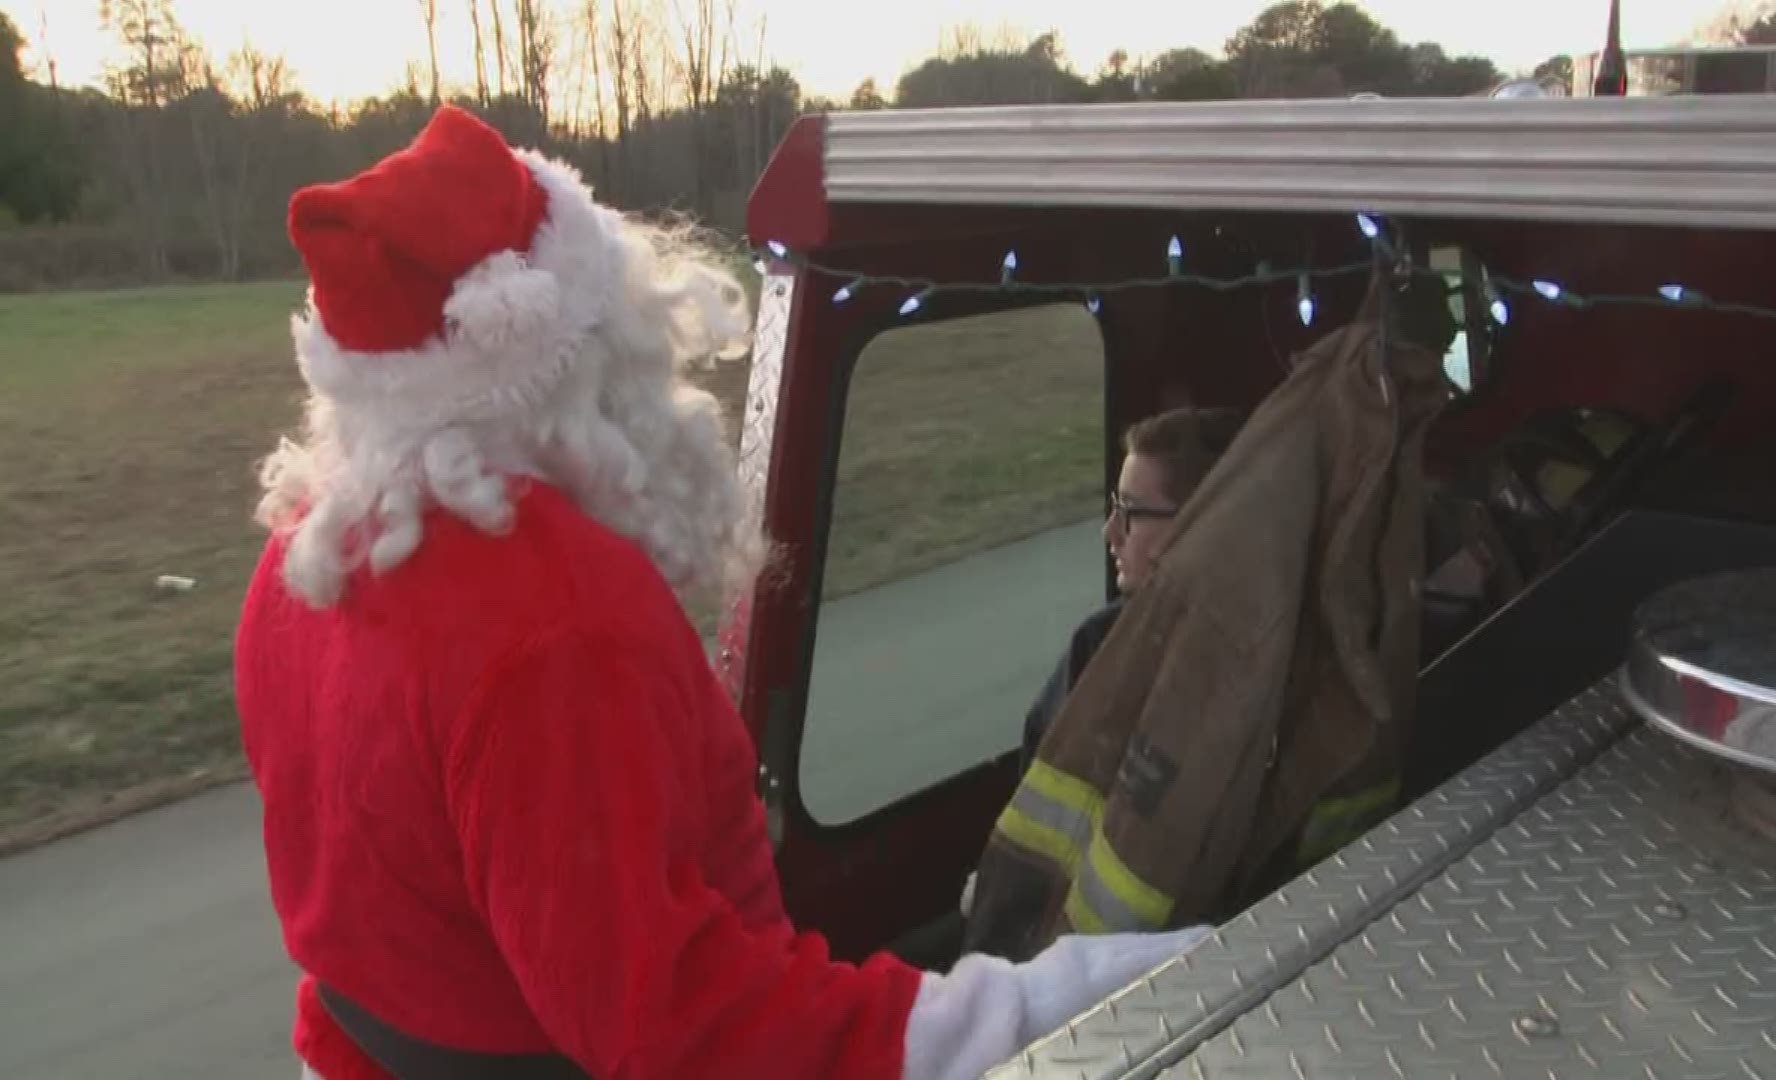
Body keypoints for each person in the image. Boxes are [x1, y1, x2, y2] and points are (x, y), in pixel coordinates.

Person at [234, 106, 1206, 1080]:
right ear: (573, 345)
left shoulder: (301, 556)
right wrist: (1036, 1006)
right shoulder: (559, 625)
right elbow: (683, 1029)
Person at [1016, 407, 1244, 774]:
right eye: (1114, 507)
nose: (1110, 532)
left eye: (1130, 512)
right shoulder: (1275, 629)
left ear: (1198, 524)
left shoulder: (1103, 648)